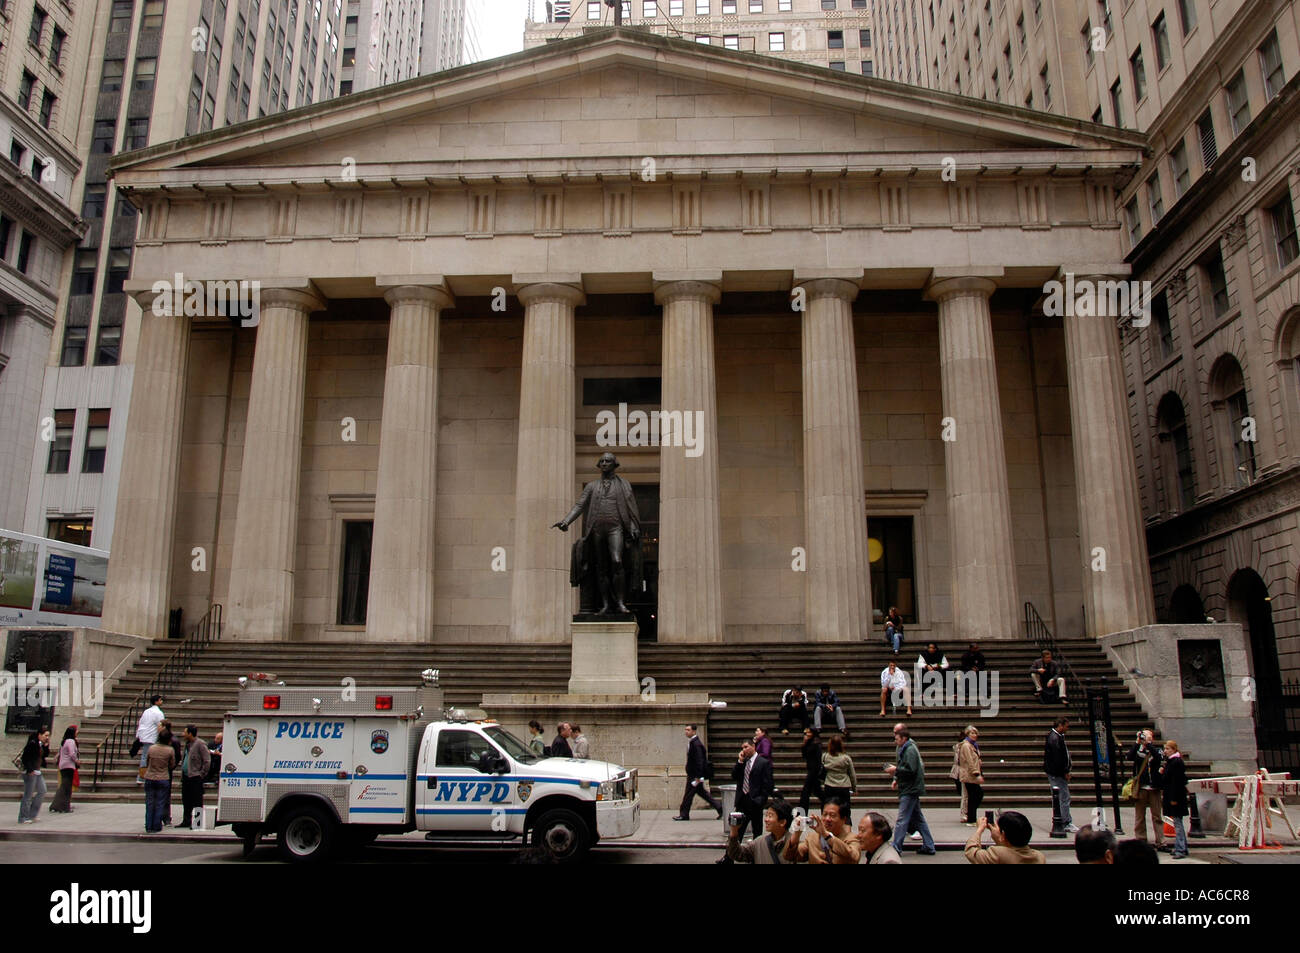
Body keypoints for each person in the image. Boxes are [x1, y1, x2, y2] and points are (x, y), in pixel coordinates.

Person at [885, 722, 935, 854]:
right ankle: (929, 845)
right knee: (919, 819)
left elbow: (911, 770)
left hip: (910, 789)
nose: (895, 741)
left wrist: (895, 771)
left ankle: (896, 846)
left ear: (903, 738)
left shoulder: (910, 749)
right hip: (910, 787)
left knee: (902, 819)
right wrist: (896, 777)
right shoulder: (905, 748)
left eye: (897, 738)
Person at [783, 797, 860, 864]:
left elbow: (854, 856)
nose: (827, 819)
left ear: (844, 819)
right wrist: (797, 833)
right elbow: (789, 856)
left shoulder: (851, 838)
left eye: (832, 815)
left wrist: (826, 835)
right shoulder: (812, 838)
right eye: (824, 814)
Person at [674, 724, 721, 820]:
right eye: (685, 729)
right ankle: (719, 807)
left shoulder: (696, 744)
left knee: (688, 795)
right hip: (694, 775)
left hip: (694, 775)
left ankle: (684, 814)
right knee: (702, 793)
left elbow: (699, 761)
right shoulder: (693, 742)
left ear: (694, 731)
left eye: (688, 730)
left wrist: (698, 776)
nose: (686, 732)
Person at [1127, 729, 1165, 850]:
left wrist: (1148, 745)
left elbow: (1158, 758)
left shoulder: (1157, 750)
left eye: (1148, 735)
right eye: (1144, 735)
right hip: (1141, 788)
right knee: (1140, 816)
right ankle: (1141, 840)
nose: (1145, 737)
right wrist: (1138, 742)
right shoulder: (1139, 750)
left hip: (1154, 787)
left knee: (1157, 816)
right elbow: (1129, 757)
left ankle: (1160, 841)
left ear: (1152, 738)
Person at [731, 739, 773, 841]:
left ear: (753, 746)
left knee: (757, 831)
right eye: (742, 748)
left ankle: (756, 854)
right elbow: (734, 776)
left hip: (755, 801)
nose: (744, 750)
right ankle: (731, 855)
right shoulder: (743, 762)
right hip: (742, 801)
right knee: (738, 831)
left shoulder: (763, 762)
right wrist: (740, 761)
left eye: (746, 747)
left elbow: (768, 783)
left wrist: (761, 799)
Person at [725, 800, 792, 864]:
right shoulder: (759, 842)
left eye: (770, 816)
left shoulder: (794, 845)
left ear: (782, 822)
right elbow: (737, 854)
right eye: (766, 815)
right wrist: (734, 830)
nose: (766, 819)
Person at [964, 811, 1045, 864]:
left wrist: (980, 829)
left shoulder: (998, 854)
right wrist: (1000, 838)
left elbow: (971, 851)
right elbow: (1011, 851)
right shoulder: (1039, 857)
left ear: (1003, 834)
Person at [1043, 715, 1077, 832]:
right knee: (1063, 797)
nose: (1067, 729)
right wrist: (1065, 772)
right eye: (1066, 726)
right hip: (1057, 773)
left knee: (1062, 796)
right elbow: (1058, 759)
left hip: (1055, 772)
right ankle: (1065, 821)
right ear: (1060, 725)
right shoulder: (1055, 738)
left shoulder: (1057, 737)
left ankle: (1064, 819)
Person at [143, 729, 177, 834]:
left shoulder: (151, 748)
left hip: (150, 776)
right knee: (160, 803)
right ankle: (157, 825)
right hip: (163, 777)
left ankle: (149, 825)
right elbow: (172, 764)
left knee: (149, 802)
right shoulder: (170, 750)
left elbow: (147, 761)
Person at [1160, 740, 1189, 859]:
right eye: (1165, 749)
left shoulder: (1176, 762)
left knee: (1178, 823)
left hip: (1175, 797)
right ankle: (1182, 847)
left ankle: (1180, 848)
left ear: (1173, 750)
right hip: (1173, 796)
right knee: (1177, 823)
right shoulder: (1172, 761)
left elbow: (1176, 782)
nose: (1165, 751)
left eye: (1167, 749)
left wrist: (1173, 798)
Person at [177, 725, 211, 829]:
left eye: (185, 732)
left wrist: (202, 774)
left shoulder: (200, 744)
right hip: (186, 777)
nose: (183, 734)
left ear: (190, 734)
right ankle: (186, 820)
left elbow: (207, 760)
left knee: (197, 801)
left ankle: (198, 822)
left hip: (195, 777)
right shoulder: (187, 744)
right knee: (186, 800)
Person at [17, 728, 51, 824]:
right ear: (39, 735)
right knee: (28, 795)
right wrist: (30, 769)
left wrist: (46, 746)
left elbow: (45, 755)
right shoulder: (32, 743)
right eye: (45, 735)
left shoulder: (41, 745)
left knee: (42, 790)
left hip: (38, 771)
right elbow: (25, 758)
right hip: (30, 772)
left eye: (48, 736)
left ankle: (32, 814)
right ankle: (23, 817)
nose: (47, 738)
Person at [821, 736, 856, 816]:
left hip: (829, 785)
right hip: (843, 786)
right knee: (845, 811)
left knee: (829, 808)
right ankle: (847, 825)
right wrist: (854, 788)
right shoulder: (846, 758)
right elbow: (852, 774)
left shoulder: (825, 756)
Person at [49, 726, 80, 814]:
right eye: (76, 731)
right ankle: (64, 806)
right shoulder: (71, 741)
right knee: (66, 787)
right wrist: (77, 761)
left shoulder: (65, 741)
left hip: (63, 765)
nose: (77, 732)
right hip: (68, 766)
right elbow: (72, 753)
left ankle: (57, 805)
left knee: (64, 786)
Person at [957, 725, 984, 824]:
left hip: (972, 774)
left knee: (974, 796)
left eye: (975, 733)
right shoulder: (966, 745)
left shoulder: (973, 745)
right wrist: (977, 774)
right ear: (967, 734)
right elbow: (969, 761)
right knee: (976, 795)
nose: (974, 735)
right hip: (969, 775)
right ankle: (971, 817)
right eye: (972, 733)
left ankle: (971, 816)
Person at [136, 694, 165, 781]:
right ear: (156, 702)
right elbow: (160, 725)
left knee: (145, 756)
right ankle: (141, 777)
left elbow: (141, 722)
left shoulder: (146, 711)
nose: (162, 701)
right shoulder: (158, 713)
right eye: (160, 700)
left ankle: (144, 775)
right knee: (146, 757)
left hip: (144, 735)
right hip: (151, 736)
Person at [798, 728, 823, 814]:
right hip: (811, 770)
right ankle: (828, 803)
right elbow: (804, 755)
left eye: (808, 732)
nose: (806, 734)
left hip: (814, 771)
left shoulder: (816, 743)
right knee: (818, 792)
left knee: (805, 792)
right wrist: (804, 743)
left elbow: (818, 758)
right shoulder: (809, 743)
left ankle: (801, 813)